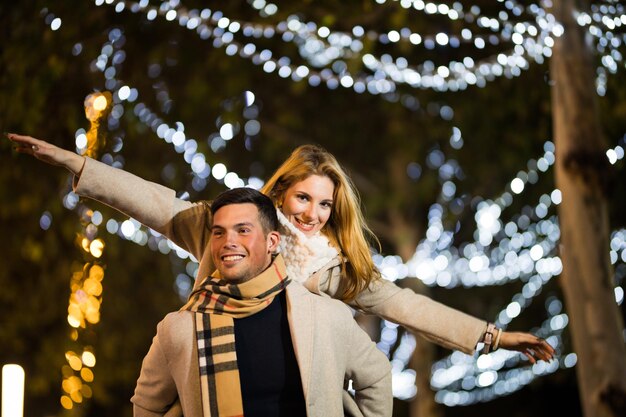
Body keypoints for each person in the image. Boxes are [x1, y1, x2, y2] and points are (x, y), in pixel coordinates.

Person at [6, 133, 555, 362]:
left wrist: (494, 336)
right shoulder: (226, 230)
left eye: (324, 206)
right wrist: (77, 164)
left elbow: (405, 305)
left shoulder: (332, 268)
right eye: (303, 198)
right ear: (281, 190)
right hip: (214, 373)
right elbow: (155, 202)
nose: (312, 215)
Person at [131, 187, 392, 416]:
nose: (228, 242)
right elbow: (147, 406)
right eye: (219, 233)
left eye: (243, 230)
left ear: (272, 242)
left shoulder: (325, 316)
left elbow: (377, 376)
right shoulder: (179, 329)